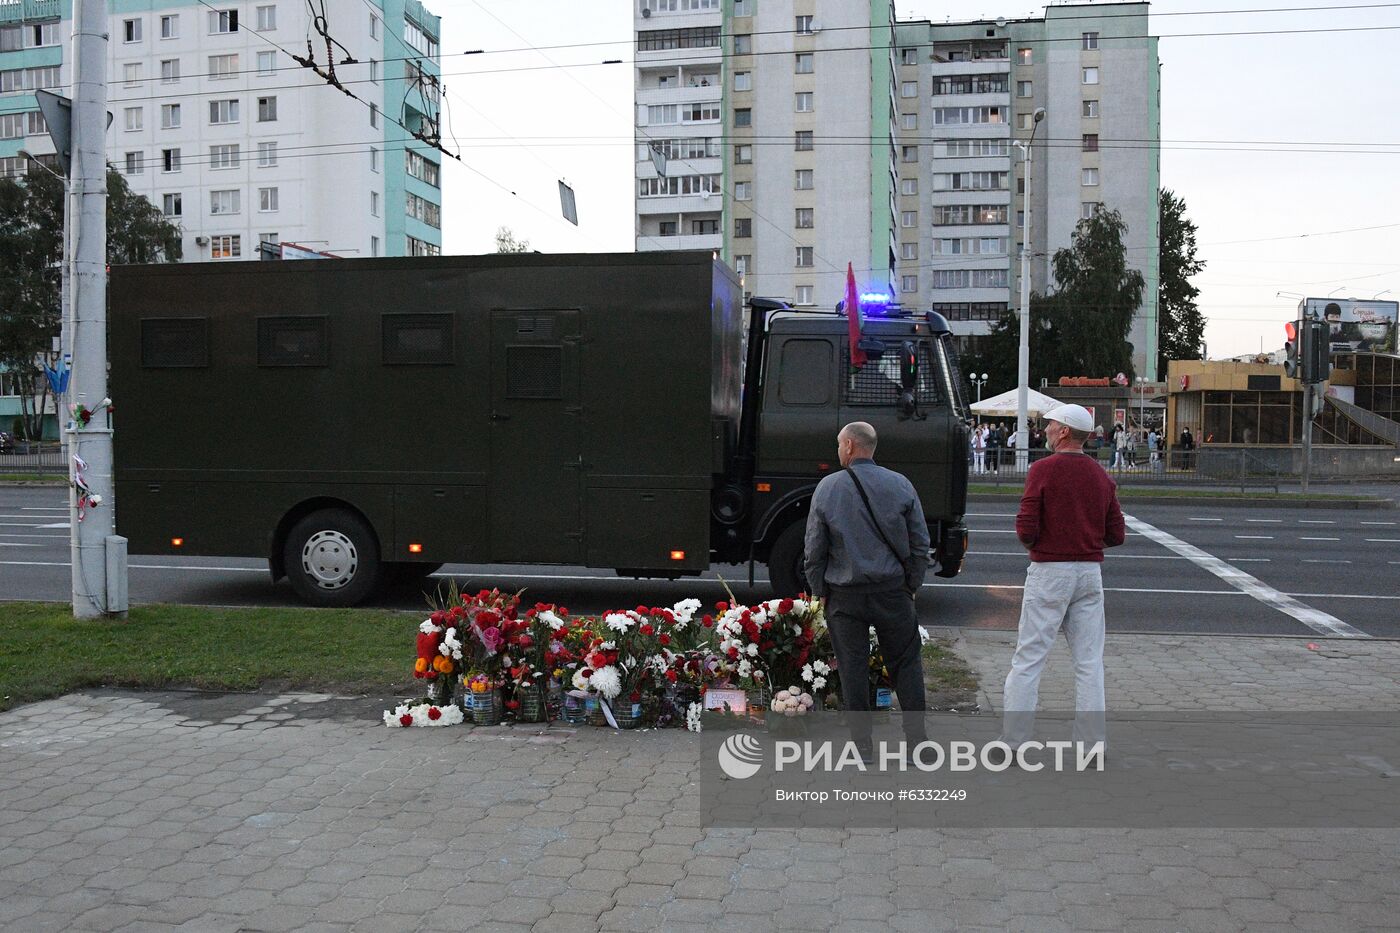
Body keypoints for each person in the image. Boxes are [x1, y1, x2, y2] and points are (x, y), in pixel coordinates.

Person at [1000, 403, 1124, 760]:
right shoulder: (1101, 476)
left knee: (1029, 659)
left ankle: (1015, 741)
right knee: (1089, 663)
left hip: (1050, 572)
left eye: (1051, 425)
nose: (1048, 430)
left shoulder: (1043, 470)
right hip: (1089, 574)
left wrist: (1042, 543)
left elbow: (1026, 527)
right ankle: (1090, 747)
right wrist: (1085, 540)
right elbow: (1116, 534)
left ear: (1065, 431)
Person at [804, 421, 930, 753]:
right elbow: (920, 543)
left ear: (848, 446)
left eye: (838, 445)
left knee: (852, 668)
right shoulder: (901, 484)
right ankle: (918, 743)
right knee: (906, 664)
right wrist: (911, 584)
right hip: (892, 591)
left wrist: (819, 591)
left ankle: (862, 747)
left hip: (845, 597)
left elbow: (814, 549)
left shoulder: (828, 488)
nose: (837, 450)